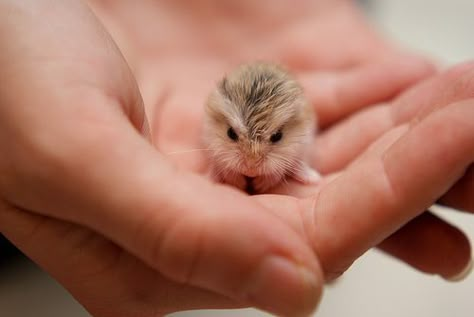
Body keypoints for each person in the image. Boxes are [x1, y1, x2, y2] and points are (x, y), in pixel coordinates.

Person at [0, 0, 472, 316]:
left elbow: (294, 143)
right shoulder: (215, 120)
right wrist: (214, 165)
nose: (248, 161)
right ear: (216, 120)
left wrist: (297, 166)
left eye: (270, 142)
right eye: (233, 137)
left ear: (295, 127)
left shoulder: (300, 123)